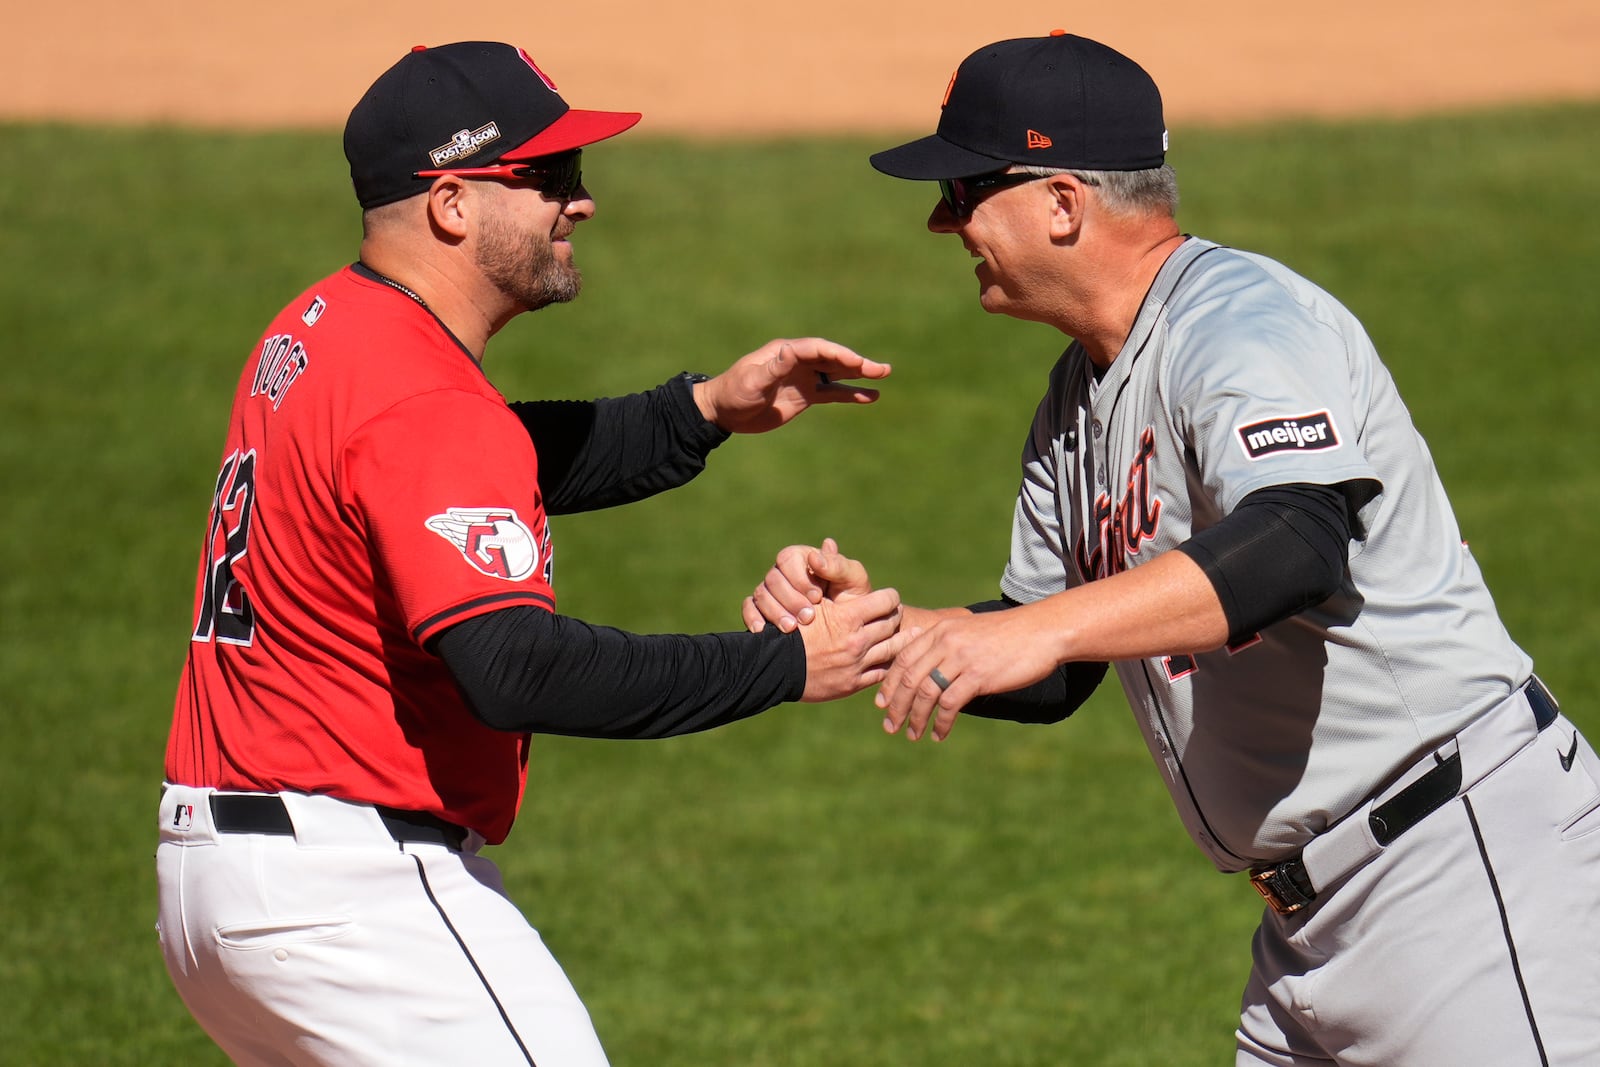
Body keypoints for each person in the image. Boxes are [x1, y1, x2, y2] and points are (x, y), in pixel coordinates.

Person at [745, 31, 1600, 1066]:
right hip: (1310, 931)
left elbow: (1295, 543)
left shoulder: (1241, 323)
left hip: (1458, 873)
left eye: (964, 188)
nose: (941, 220)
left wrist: (1041, 630)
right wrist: (885, 634)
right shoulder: (1075, 401)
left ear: (1062, 200)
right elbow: (1051, 667)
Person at [156, 40, 904, 1067]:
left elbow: (472, 463)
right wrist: (787, 663)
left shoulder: (322, 328)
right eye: (547, 177)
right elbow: (515, 666)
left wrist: (699, 410)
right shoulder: (422, 397)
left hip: (221, 877)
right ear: (453, 202)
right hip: (351, 897)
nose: (580, 201)